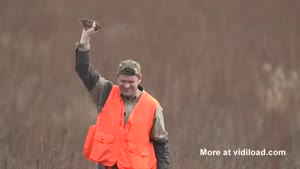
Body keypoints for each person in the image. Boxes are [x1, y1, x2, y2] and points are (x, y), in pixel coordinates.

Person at [75, 22, 170, 169]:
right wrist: (85, 37)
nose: (126, 85)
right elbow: (84, 70)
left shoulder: (153, 106)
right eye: (123, 81)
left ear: (140, 79)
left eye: (131, 82)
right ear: (117, 77)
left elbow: (161, 146)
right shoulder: (105, 93)